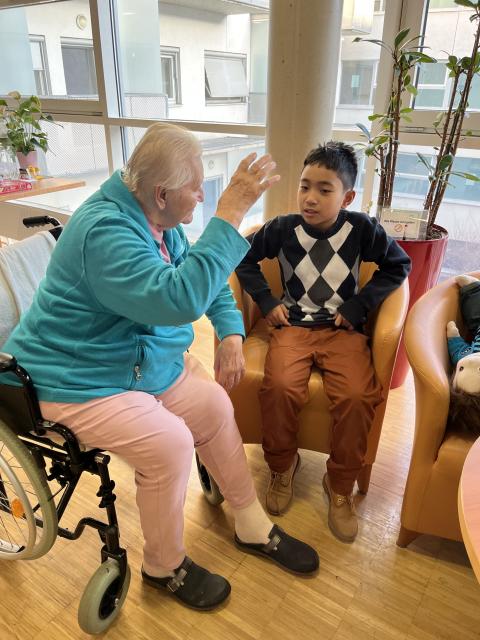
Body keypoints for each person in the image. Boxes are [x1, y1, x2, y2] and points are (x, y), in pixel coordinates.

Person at [1, 123, 319, 610]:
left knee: (213, 402)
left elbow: (205, 279)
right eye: (195, 186)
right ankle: (163, 565)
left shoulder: (159, 221)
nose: (201, 194)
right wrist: (231, 211)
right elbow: (178, 297)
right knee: (169, 445)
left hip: (133, 364)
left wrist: (231, 332)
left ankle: (250, 521)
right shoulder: (105, 232)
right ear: (161, 192)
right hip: (74, 376)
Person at [235, 141, 411, 543]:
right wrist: (265, 300)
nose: (310, 198)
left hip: (341, 330)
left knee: (355, 395)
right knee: (278, 387)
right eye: (304, 186)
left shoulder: (361, 229)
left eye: (324, 189)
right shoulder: (281, 228)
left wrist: (359, 306)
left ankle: (341, 486)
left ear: (347, 196)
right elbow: (243, 257)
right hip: (293, 327)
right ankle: (282, 466)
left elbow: (398, 265)